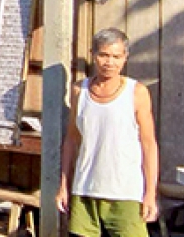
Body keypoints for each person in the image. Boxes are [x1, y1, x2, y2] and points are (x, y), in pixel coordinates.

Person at [55, 28, 159, 237]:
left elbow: (148, 144)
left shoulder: (136, 92)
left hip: (125, 193)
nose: (109, 62)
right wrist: (64, 185)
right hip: (85, 189)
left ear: (125, 58)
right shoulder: (79, 91)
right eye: (103, 55)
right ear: (93, 55)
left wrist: (149, 194)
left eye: (116, 56)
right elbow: (71, 141)